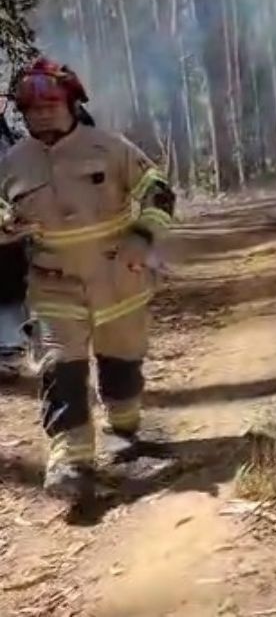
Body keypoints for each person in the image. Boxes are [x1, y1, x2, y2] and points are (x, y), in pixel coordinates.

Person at [0, 57, 175, 501]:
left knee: (121, 366)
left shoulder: (109, 148)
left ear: (73, 103)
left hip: (118, 279)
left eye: (50, 105)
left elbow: (159, 190)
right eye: (31, 109)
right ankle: (70, 463)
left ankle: (124, 428)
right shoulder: (13, 162)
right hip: (53, 284)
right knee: (61, 369)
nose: (41, 114)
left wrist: (142, 235)